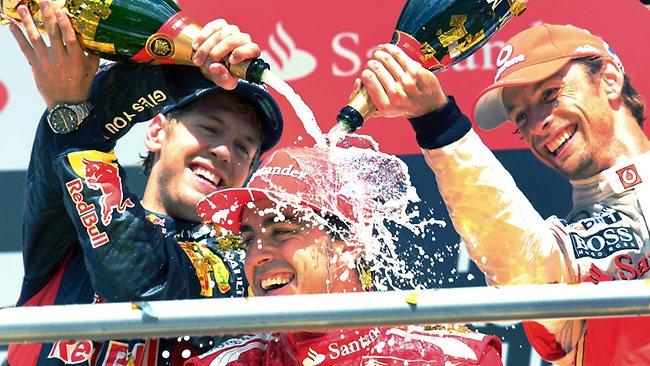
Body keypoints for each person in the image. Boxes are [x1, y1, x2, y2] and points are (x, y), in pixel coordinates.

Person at [6, 1, 283, 365]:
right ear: (155, 131)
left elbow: (136, 282)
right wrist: (200, 63)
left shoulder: (242, 263)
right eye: (209, 128)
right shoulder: (68, 216)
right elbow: (77, 121)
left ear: (248, 173)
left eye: (243, 148)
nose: (223, 152)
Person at [358, 24, 649, 365]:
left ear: (610, 79)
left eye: (550, 95)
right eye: (520, 117)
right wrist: (437, 121)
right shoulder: (570, 257)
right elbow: (521, 261)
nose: (537, 124)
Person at [188, 144, 504, 366]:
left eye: (282, 231)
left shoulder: (451, 359)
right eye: (248, 240)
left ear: (350, 241)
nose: (256, 255)